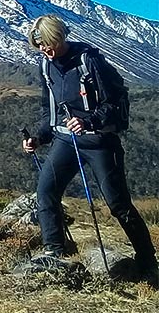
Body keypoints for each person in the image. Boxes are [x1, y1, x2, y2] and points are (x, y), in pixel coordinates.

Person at [22, 14, 156, 284]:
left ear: (60, 37)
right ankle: (54, 254)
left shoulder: (89, 61)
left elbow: (114, 101)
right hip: (66, 140)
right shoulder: (46, 67)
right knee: (46, 192)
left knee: (118, 203)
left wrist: (89, 120)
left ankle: (147, 260)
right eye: (40, 47)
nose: (46, 51)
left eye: (49, 45)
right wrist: (39, 137)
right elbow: (52, 111)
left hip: (100, 142)